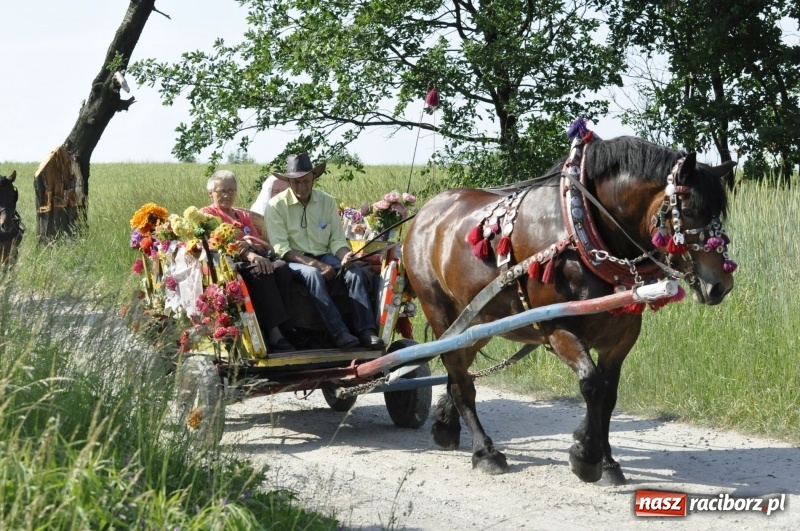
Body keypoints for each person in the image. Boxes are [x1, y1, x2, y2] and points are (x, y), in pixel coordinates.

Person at [266, 153, 384, 350]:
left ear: (313, 179)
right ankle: (340, 333)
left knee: (354, 271)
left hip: (325, 255)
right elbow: (281, 249)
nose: (301, 187)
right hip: (295, 260)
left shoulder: (326, 201)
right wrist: (315, 264)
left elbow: (336, 240)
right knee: (313, 275)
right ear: (288, 181)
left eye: (305, 181)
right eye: (296, 182)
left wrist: (346, 255)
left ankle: (366, 331)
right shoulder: (276, 206)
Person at [201, 169, 297, 352]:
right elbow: (214, 243)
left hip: (253, 257)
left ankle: (287, 327)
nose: (227, 195)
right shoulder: (207, 215)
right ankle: (274, 333)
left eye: (231, 191)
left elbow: (258, 242)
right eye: (221, 191)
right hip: (228, 264)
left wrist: (249, 247)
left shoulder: (243, 216)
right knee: (263, 271)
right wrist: (247, 250)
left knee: (282, 267)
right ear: (211, 193)